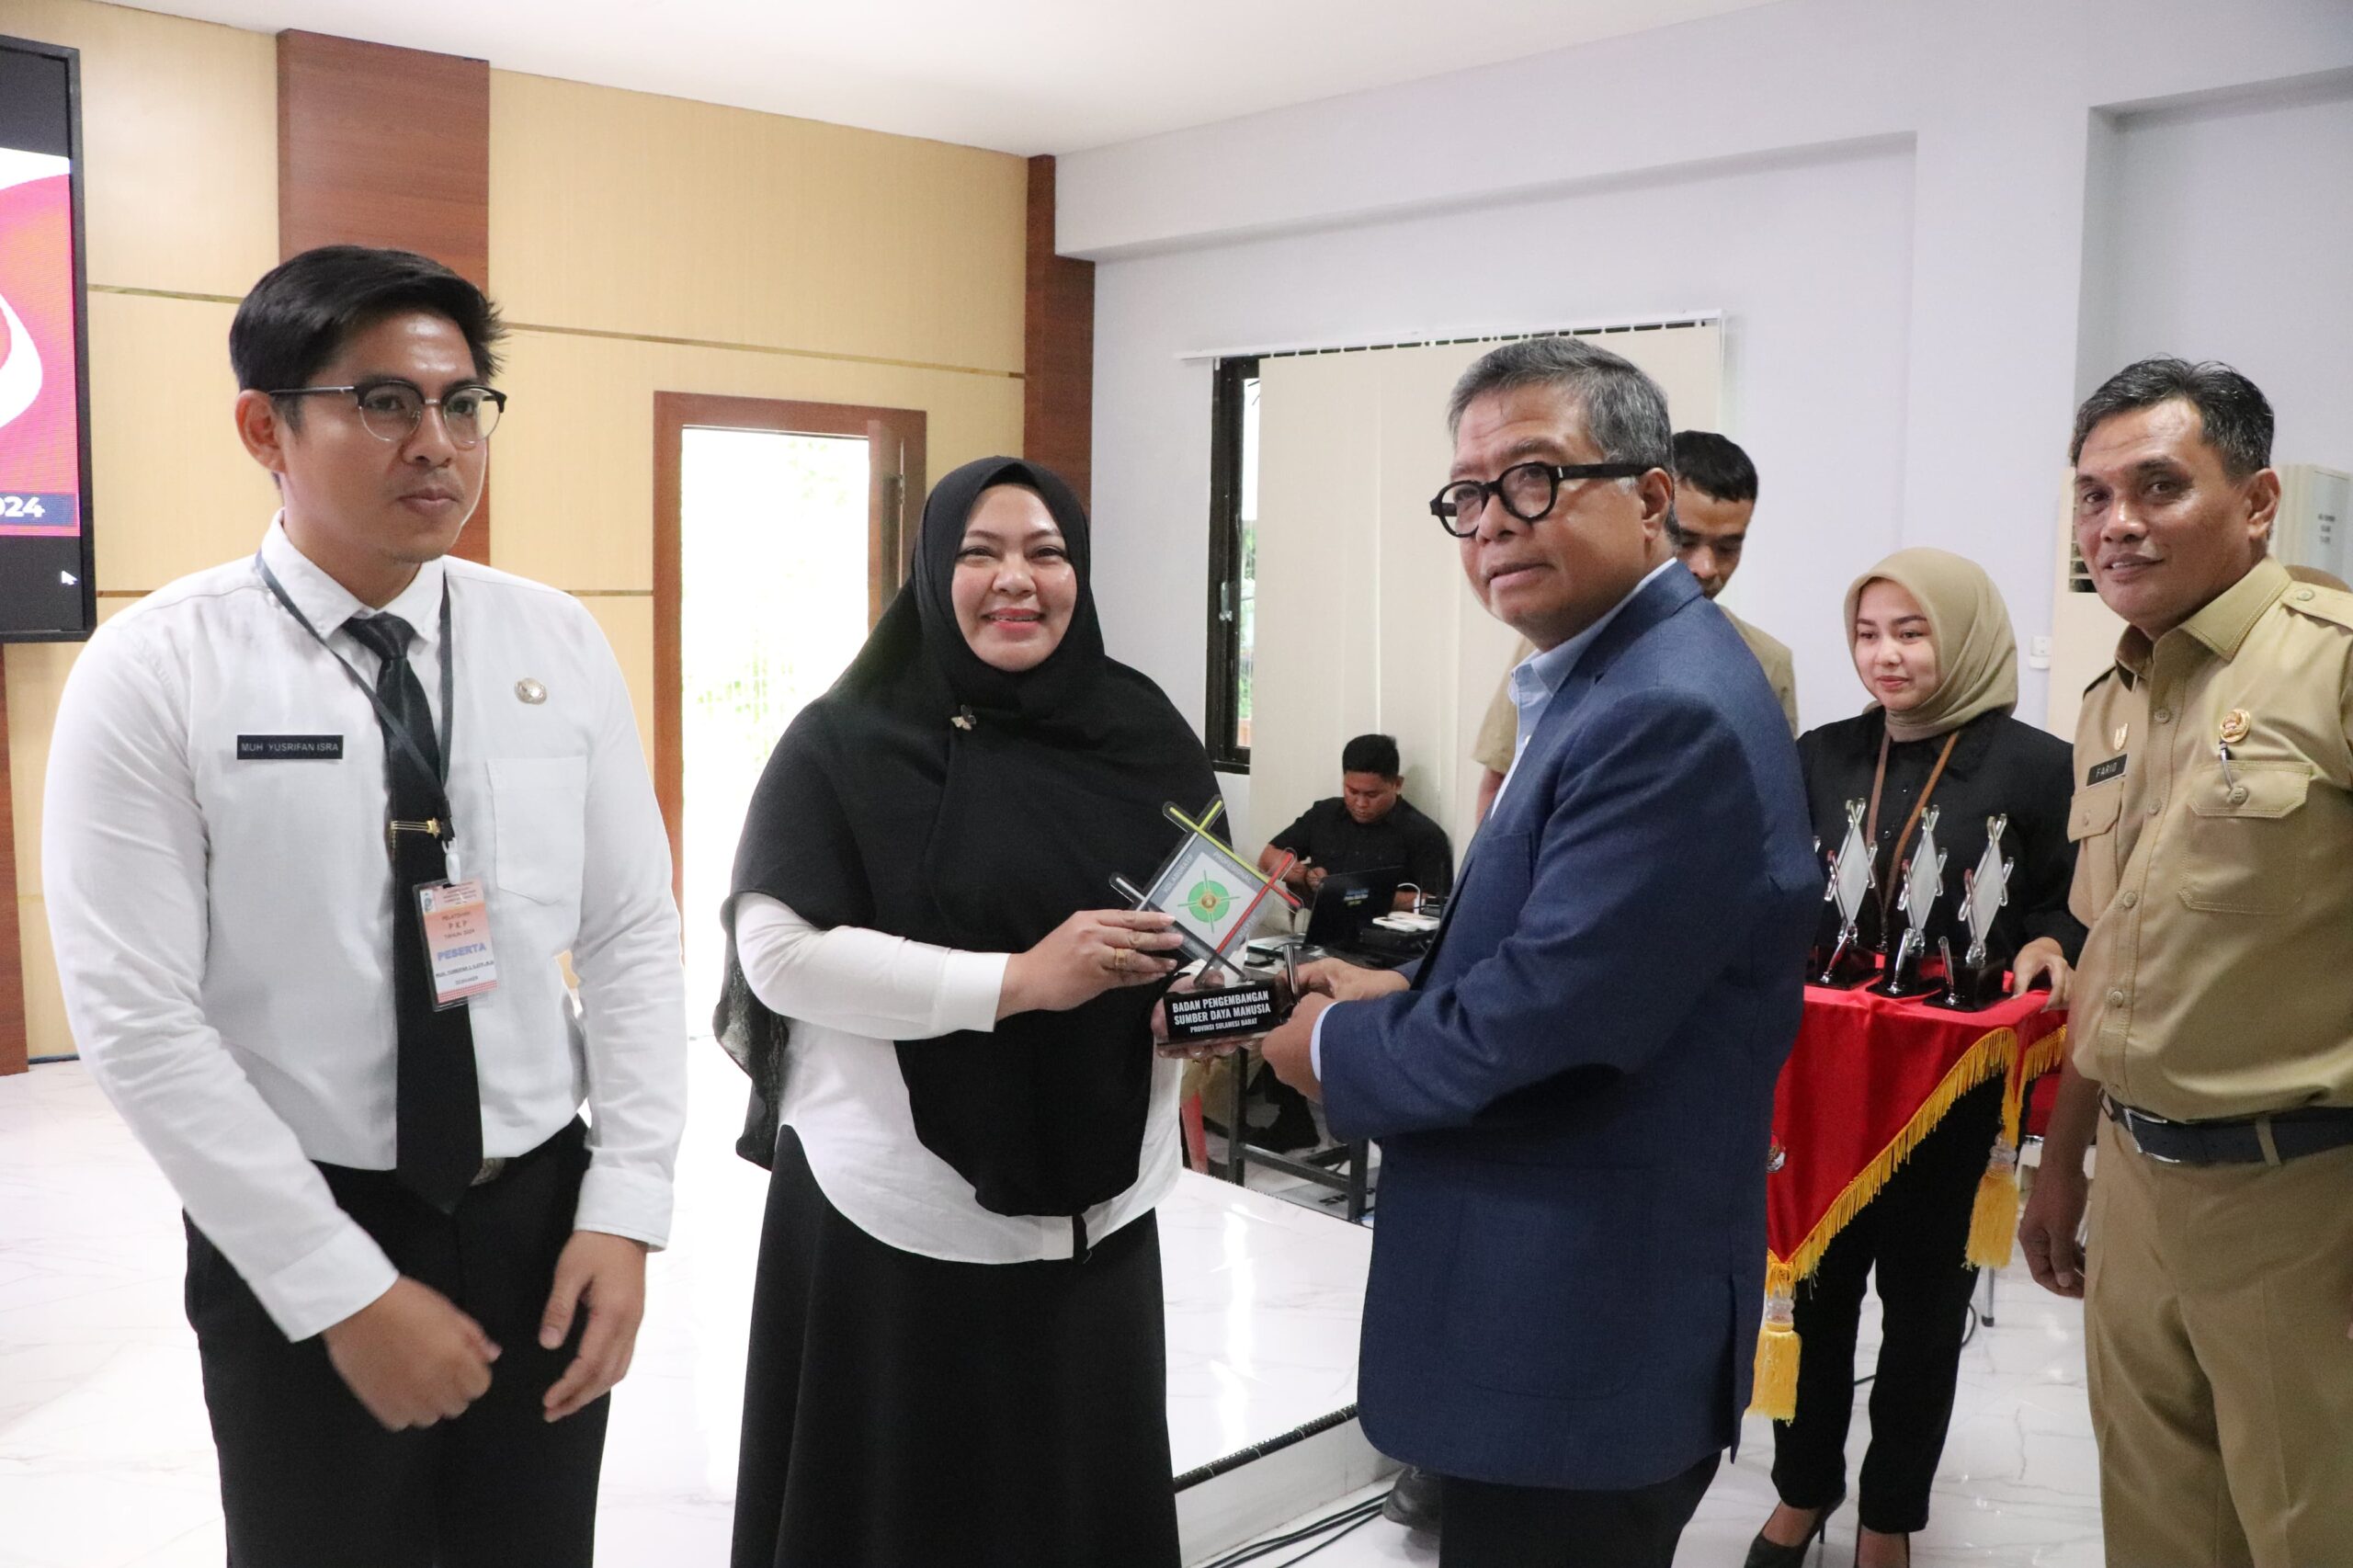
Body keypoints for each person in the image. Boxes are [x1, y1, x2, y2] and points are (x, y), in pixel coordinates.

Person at [40, 245, 686, 1567]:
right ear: (263, 427)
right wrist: (338, 1287)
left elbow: (630, 933)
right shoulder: (157, 669)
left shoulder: (554, 641)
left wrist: (625, 1204)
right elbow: (137, 1017)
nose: (436, 442)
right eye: (383, 401)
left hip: (538, 1214)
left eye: (462, 403)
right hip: (302, 1212)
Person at [1260, 335, 1818, 1567]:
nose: (1493, 522)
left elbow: (1547, 1023)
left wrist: (1333, 1046)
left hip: (1581, 1329)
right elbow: (1578, 952)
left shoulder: (1663, 706)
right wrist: (1399, 984)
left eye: (1534, 477)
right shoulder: (1601, 673)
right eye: (1467, 495)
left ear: (1651, 496)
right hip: (1563, 1310)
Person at [718, 456, 1209, 1568]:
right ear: (934, 571)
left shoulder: (1138, 725)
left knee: (1079, 1504)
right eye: (980, 553)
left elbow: (1199, 912)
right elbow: (779, 958)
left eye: (1046, 552)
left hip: (1104, 1201)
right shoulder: (844, 739)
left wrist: (1202, 1003)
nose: (1015, 579)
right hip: (901, 1217)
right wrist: (1018, 979)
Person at [2018, 358, 2353, 1568]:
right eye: (2093, 494)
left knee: (2309, 1529)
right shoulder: (2112, 696)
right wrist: (2060, 1163)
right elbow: (2111, 955)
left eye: (2158, 485)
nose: (2116, 522)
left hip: (2299, 1194)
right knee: (2157, 1526)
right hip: (2133, 1183)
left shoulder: (2331, 664)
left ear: (2257, 502)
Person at [1746, 549, 2082, 1568]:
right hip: (1821, 1079)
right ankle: (1802, 1491)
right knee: (1811, 1292)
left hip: (1949, 1091)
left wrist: (2050, 940)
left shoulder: (2038, 766)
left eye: (1911, 631)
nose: (1884, 655)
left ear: (1967, 635)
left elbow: (2069, 897)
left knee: (1925, 1309)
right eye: (1866, 633)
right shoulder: (1820, 754)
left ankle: (1888, 1512)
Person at [1471, 428, 1798, 822]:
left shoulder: (1767, 662)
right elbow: (1501, 785)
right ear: (1651, 511)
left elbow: (1774, 803)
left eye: (1728, 548)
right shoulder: (1564, 640)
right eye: (1686, 540)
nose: (1706, 567)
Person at [1259, 732, 1453, 909]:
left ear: (1397, 784)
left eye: (1372, 795)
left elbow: (1437, 902)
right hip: (1321, 929)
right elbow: (1268, 857)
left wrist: (1360, 895)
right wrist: (1304, 875)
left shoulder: (1423, 834)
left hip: (1382, 932)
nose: (1360, 803)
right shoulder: (1325, 814)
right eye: (1352, 791)